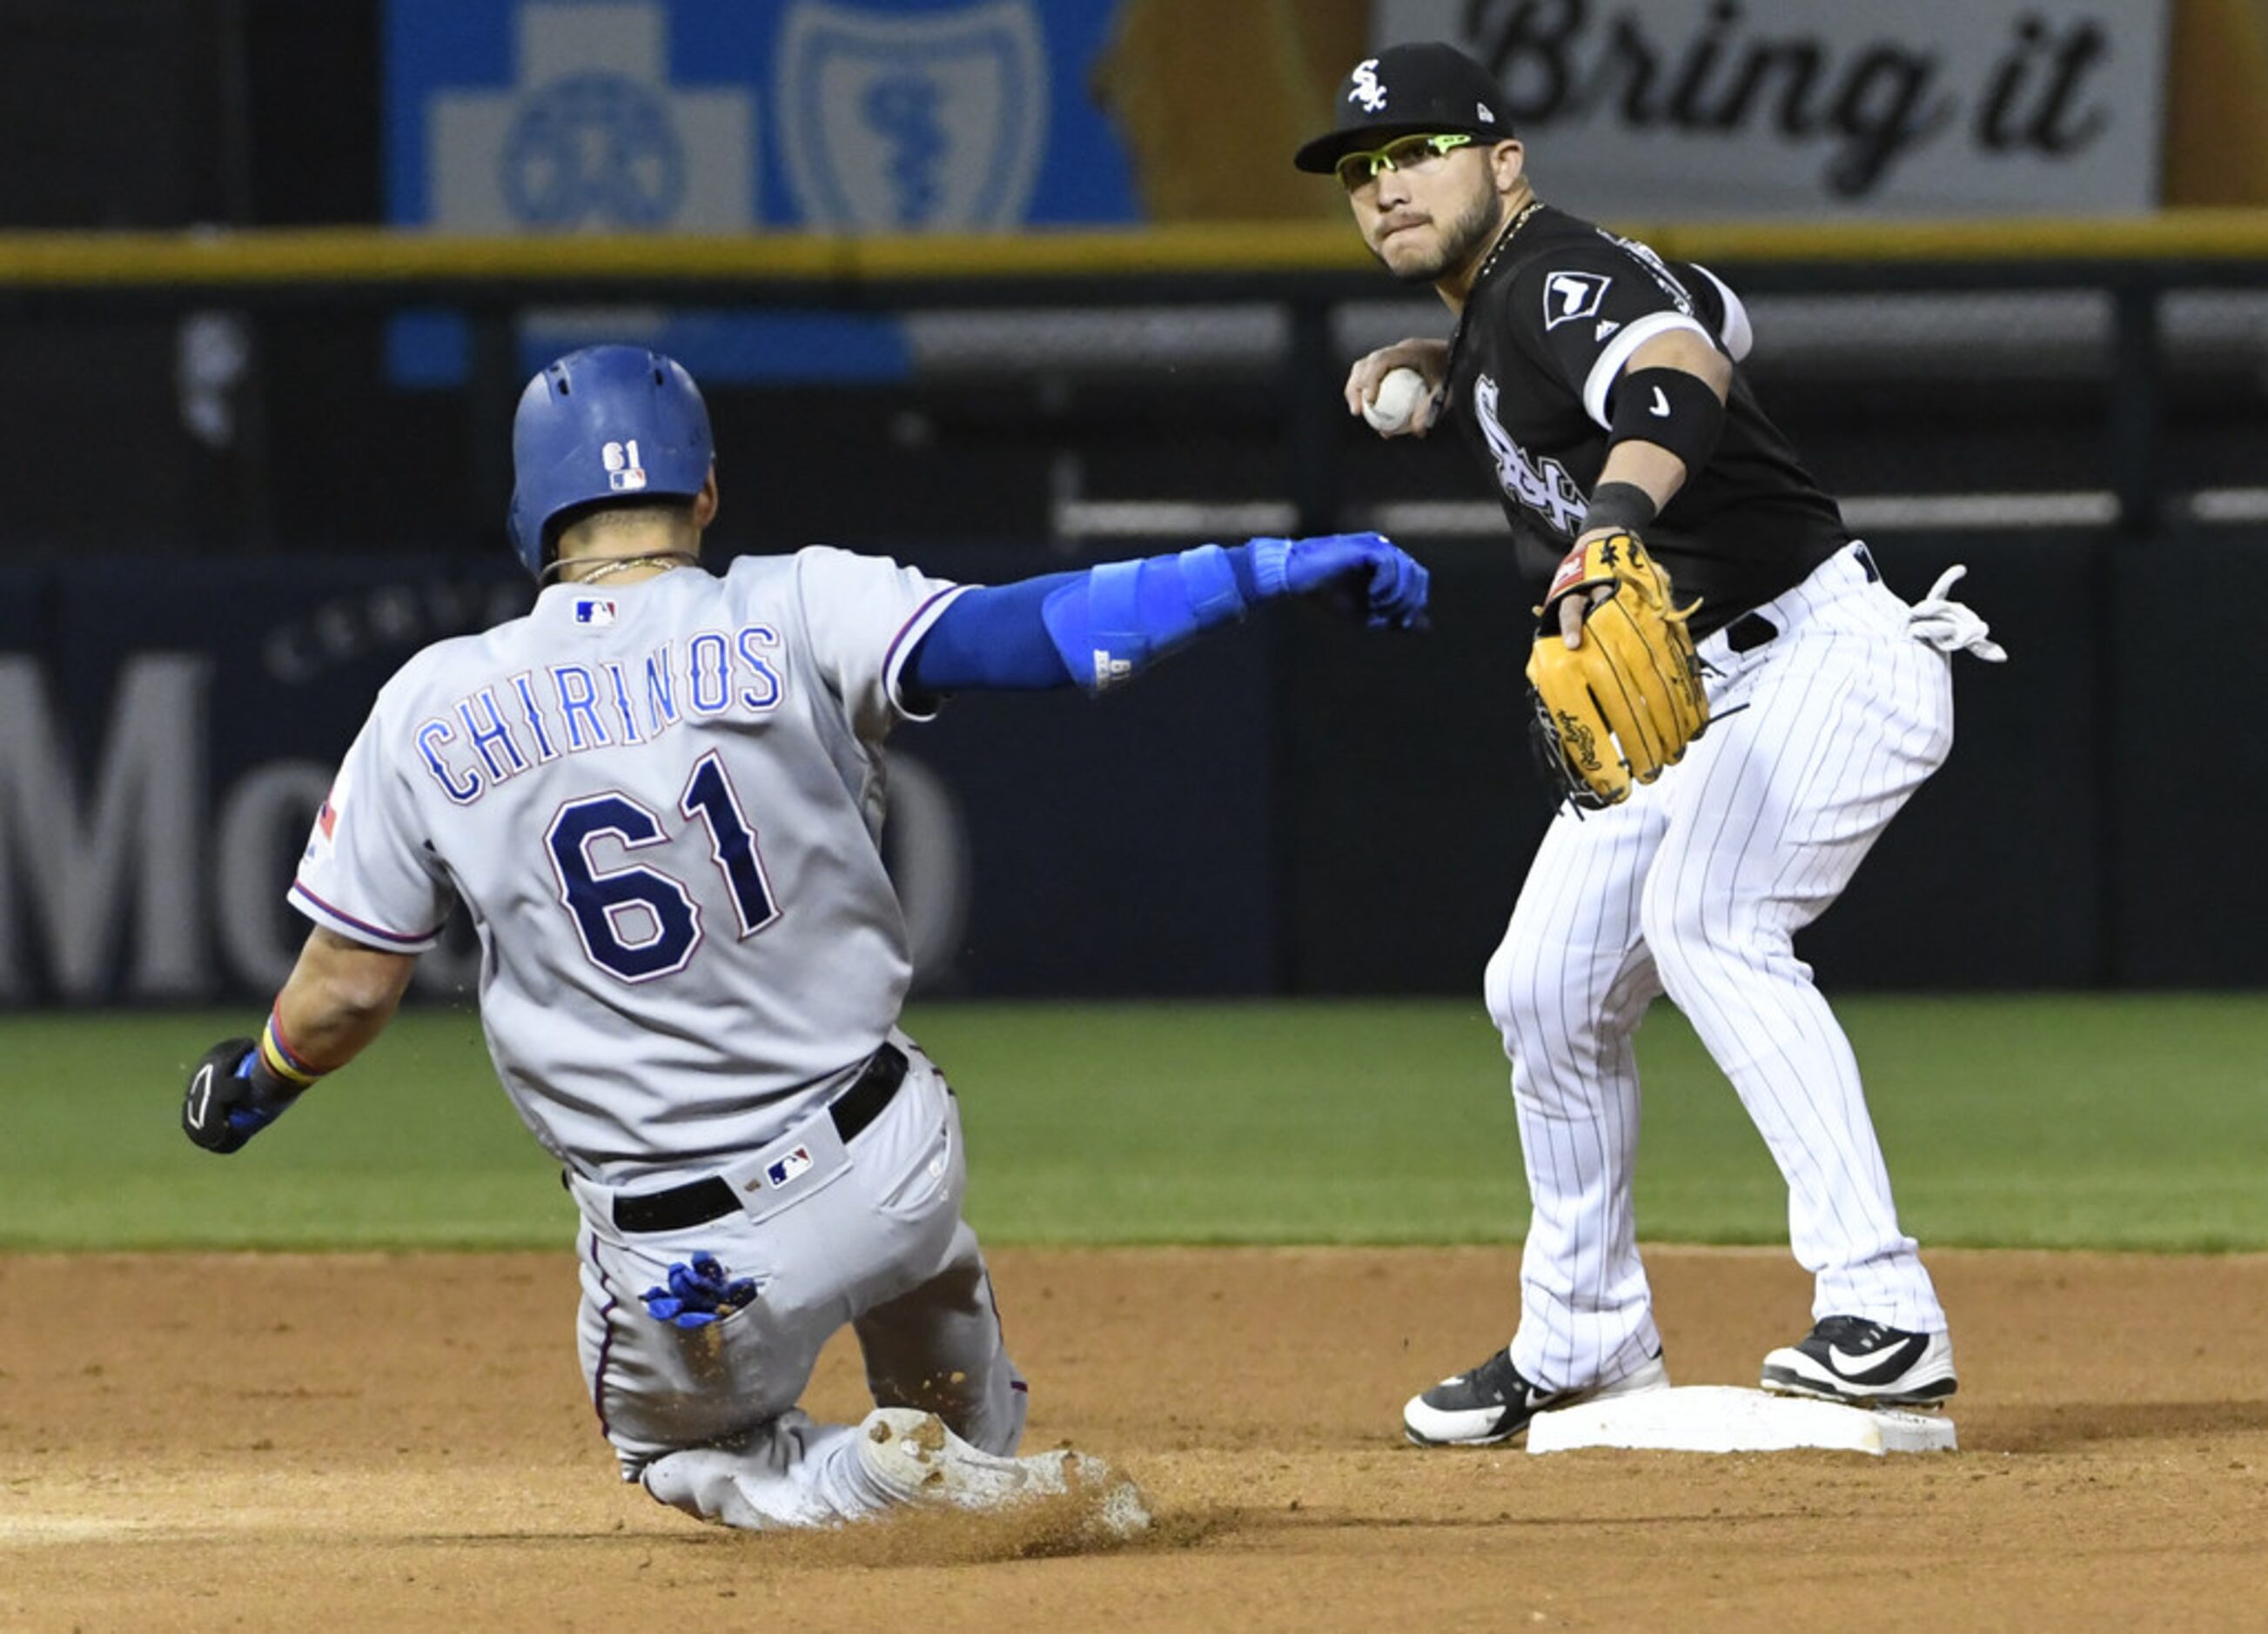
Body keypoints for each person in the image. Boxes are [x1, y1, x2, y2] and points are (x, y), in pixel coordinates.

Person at [179, 344, 1430, 1529]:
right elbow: (1037, 634)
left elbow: (344, 991)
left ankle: (871, 1478)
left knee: (681, 1449)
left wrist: (263, 1076)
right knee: (930, 1294)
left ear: (531, 522)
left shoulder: (427, 705)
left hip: (695, 1257)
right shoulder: (800, 599)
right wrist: (1257, 568)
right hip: (891, 1158)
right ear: (707, 489)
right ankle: (982, 1456)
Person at [1293, 43, 2005, 1447]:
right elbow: (1712, 313)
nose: (1386, 188)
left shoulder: (1553, 271)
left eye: (1419, 151)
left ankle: (1886, 1313)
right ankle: (1583, 1334)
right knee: (1542, 987)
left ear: (1504, 159)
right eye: (1363, 172)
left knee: (1710, 920)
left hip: (1818, 655)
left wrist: (1615, 511)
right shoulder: (1524, 299)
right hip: (1690, 699)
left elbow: (1676, 365)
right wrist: (1468, 356)